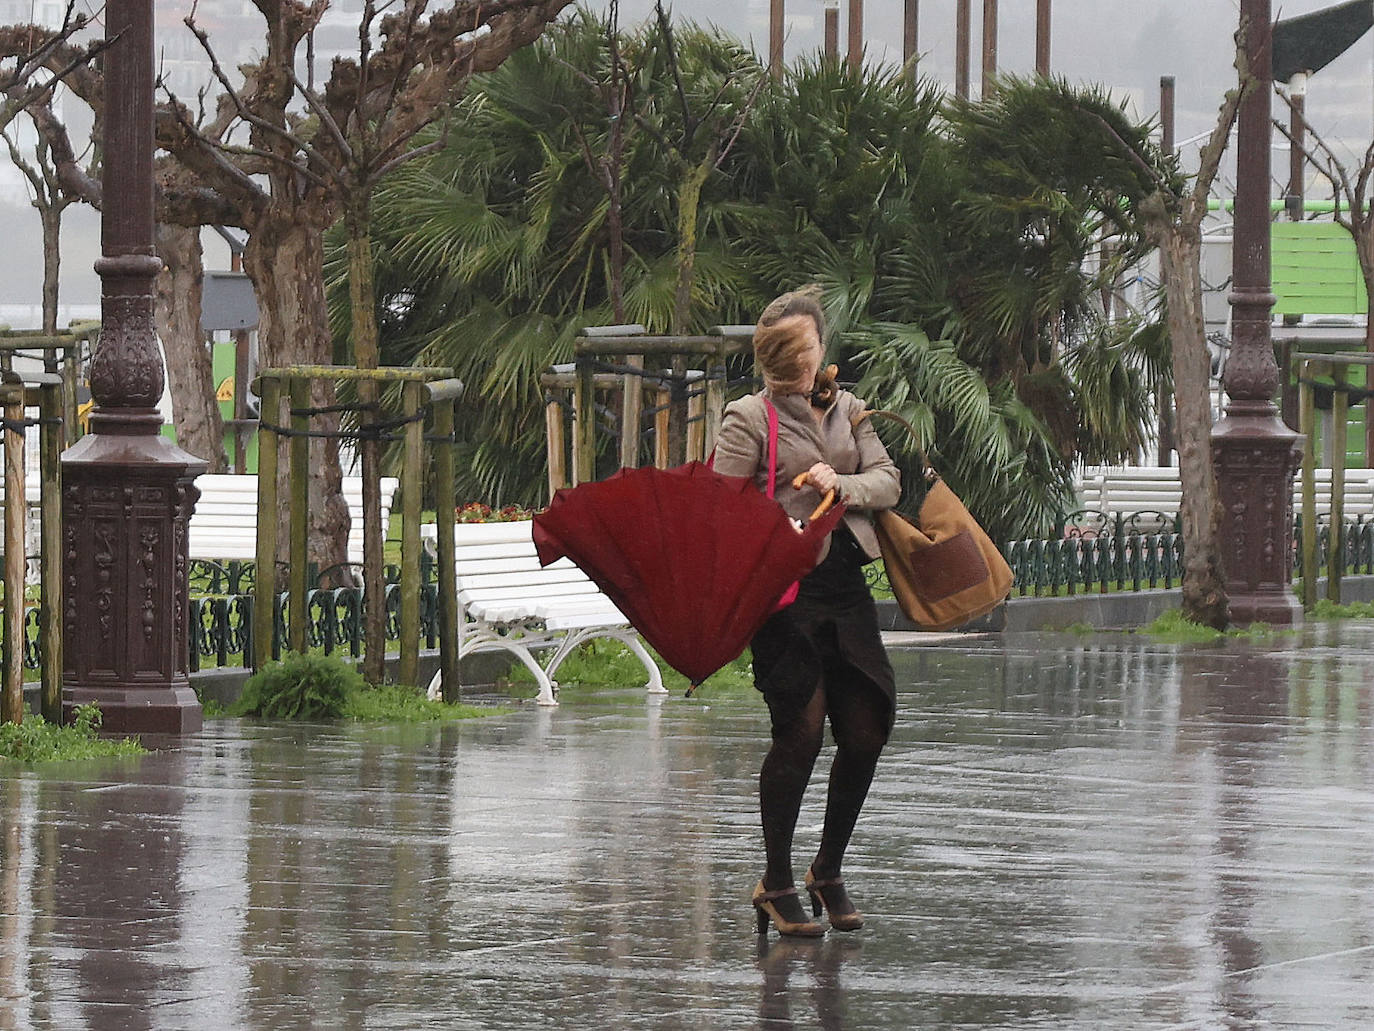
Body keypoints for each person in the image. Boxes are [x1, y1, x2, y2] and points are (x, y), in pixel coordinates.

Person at [712, 289, 901, 937]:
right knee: (803, 729)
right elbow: (723, 507)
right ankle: (777, 878)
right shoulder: (748, 417)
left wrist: (837, 483)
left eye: (807, 344)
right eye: (785, 349)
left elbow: (887, 479)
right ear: (770, 357)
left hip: (845, 584)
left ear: (820, 348)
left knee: (868, 725)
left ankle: (829, 866)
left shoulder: (848, 407)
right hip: (784, 594)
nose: (800, 357)